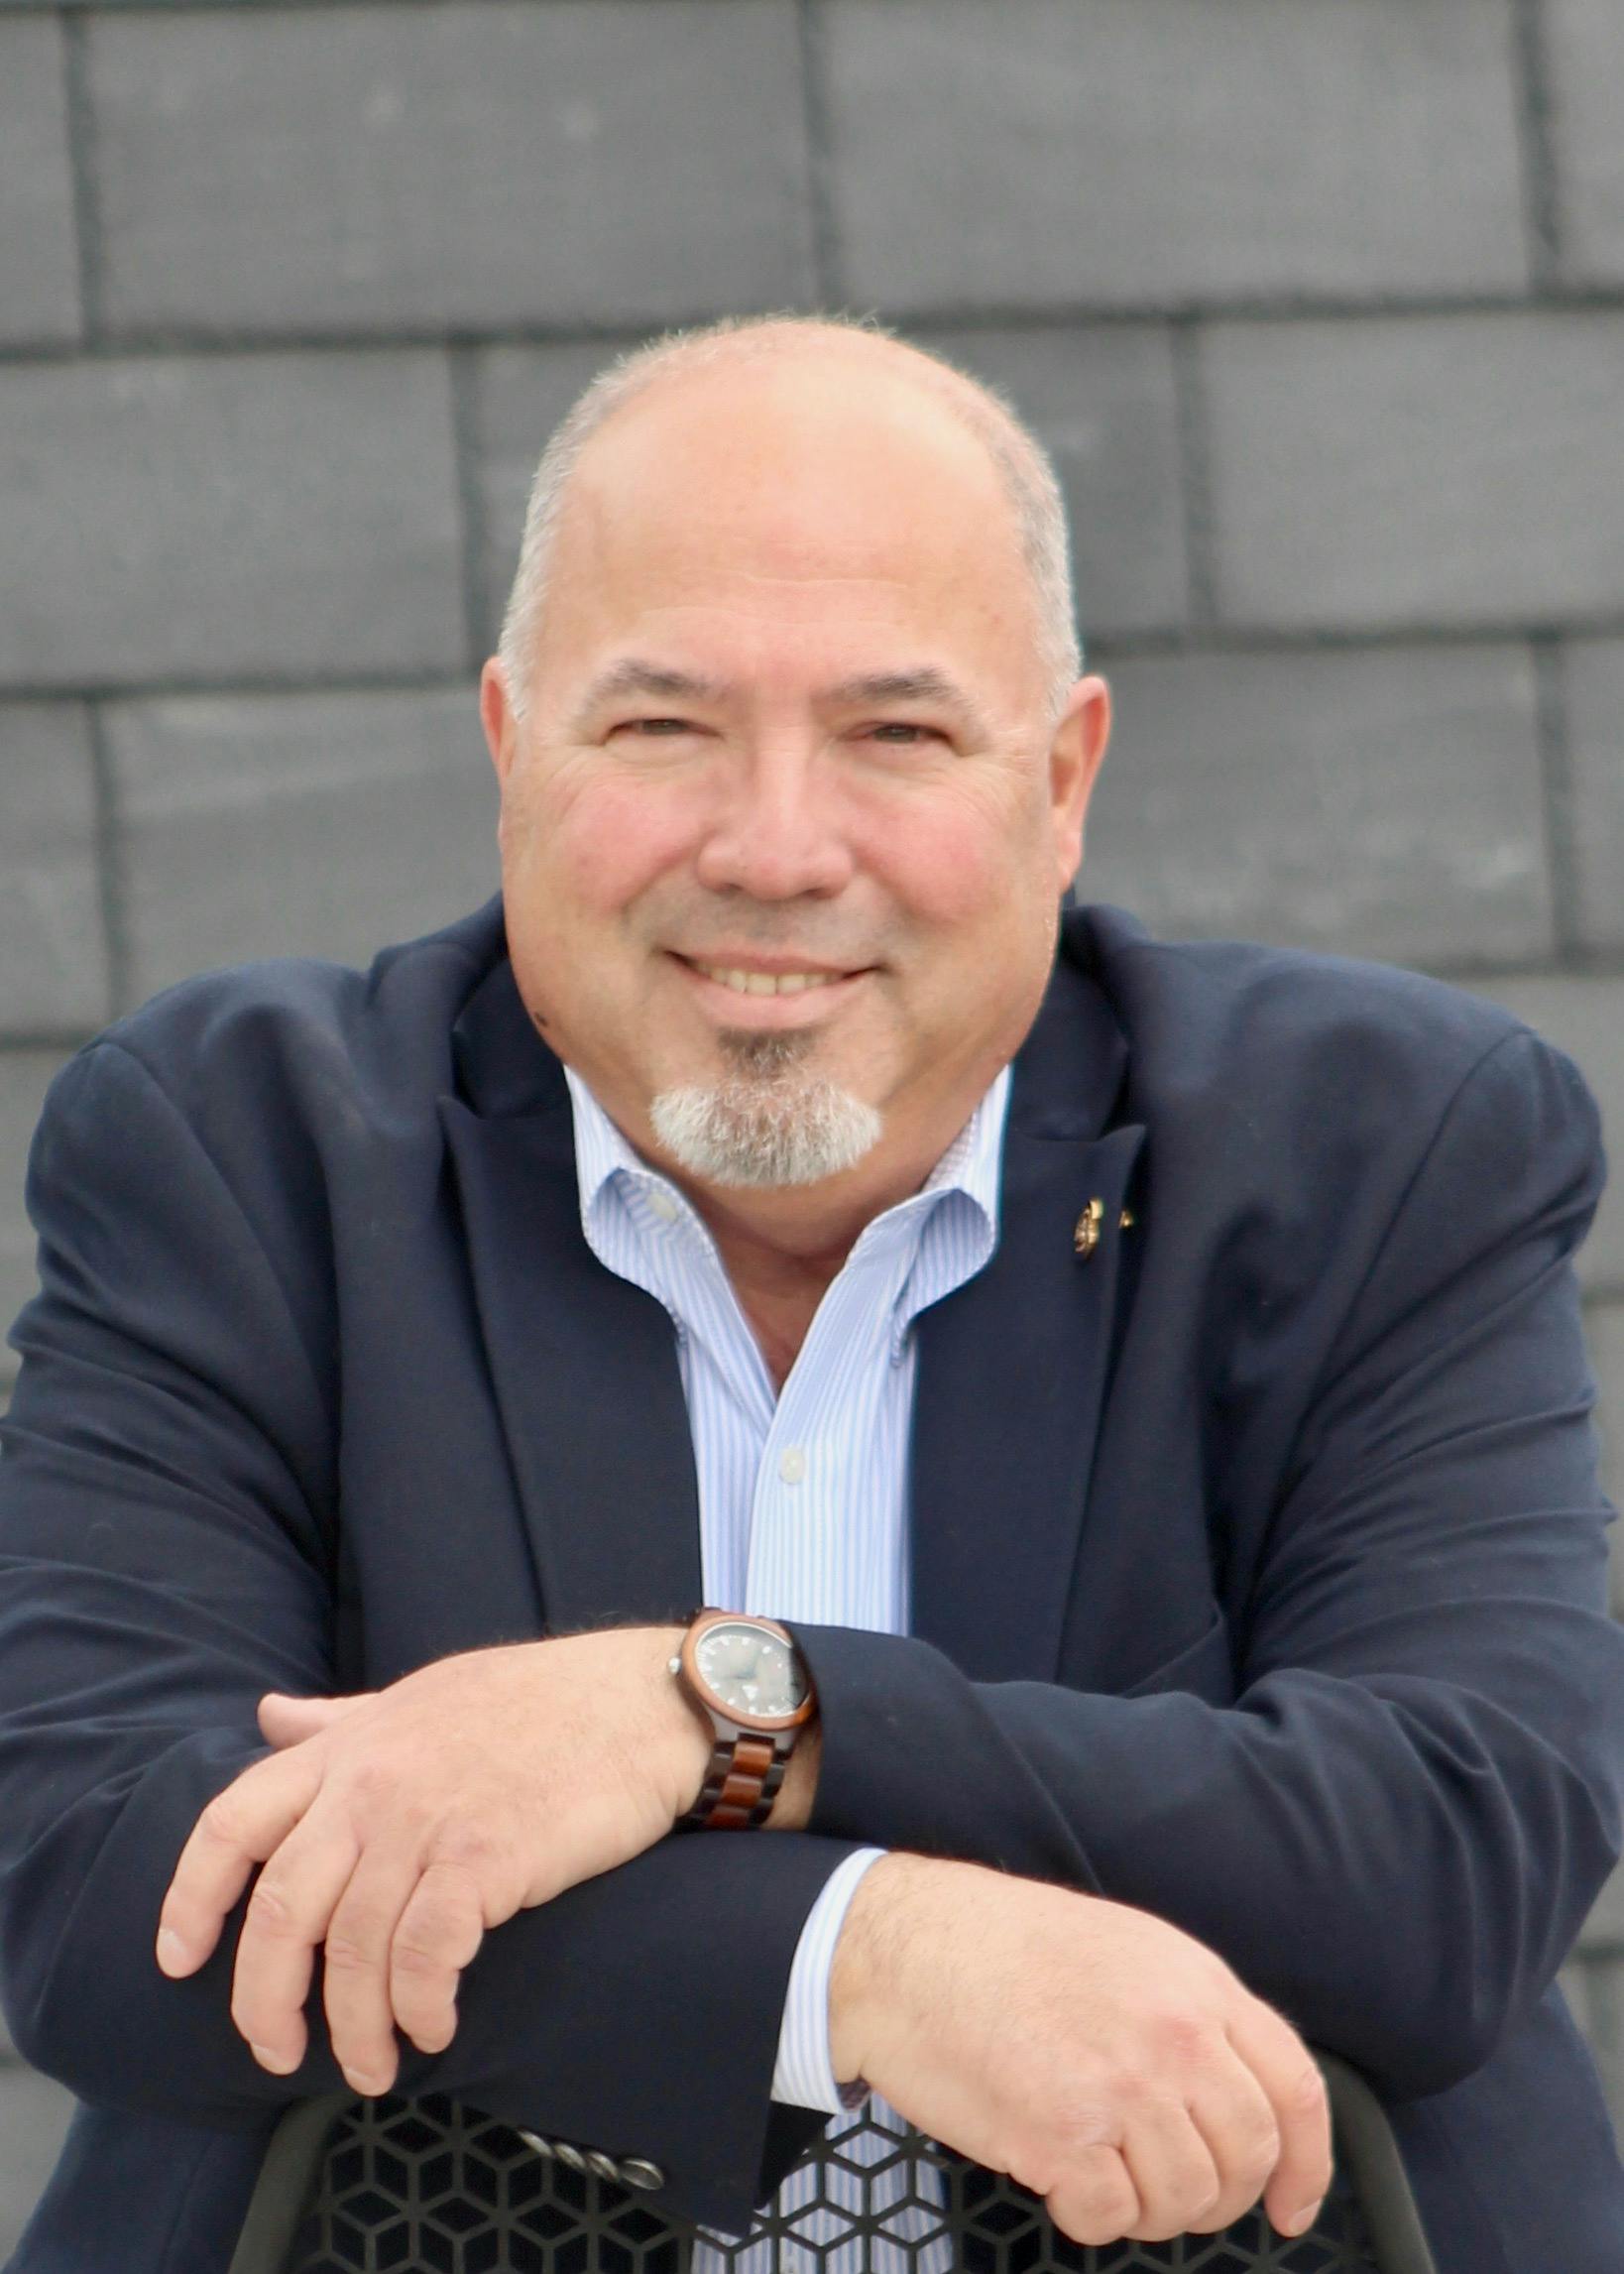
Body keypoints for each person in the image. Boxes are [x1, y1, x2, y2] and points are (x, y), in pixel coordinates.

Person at [1, 311, 1621, 2274]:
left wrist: (712, 1717)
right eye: (661, 726)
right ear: (511, 750)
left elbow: (1450, 1851)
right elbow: (103, 1880)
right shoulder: (238, 1148)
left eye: (895, 734)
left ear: (1062, 778)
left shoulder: (1384, 1144)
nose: (774, 849)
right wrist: (866, 1954)